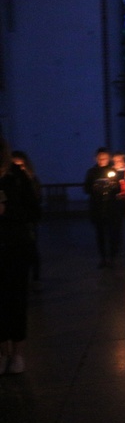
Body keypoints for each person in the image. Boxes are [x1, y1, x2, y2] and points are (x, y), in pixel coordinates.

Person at [0, 138, 41, 374]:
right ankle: (2, 351)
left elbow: (34, 211)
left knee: (15, 301)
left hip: (15, 248)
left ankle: (17, 353)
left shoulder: (16, 176)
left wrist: (9, 211)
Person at [83, 147, 121, 268]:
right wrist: (95, 187)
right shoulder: (92, 172)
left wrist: (113, 185)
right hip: (97, 207)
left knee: (112, 233)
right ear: (96, 158)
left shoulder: (112, 170)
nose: (102, 160)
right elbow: (86, 189)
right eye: (100, 158)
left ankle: (113, 257)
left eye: (104, 158)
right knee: (100, 234)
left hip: (111, 207)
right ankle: (103, 258)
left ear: (108, 158)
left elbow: (118, 189)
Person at [11, 150, 42, 291]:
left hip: (28, 221)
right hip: (13, 221)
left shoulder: (31, 180)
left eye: (21, 164)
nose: (19, 167)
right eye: (15, 164)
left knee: (31, 249)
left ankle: (35, 277)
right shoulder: (9, 181)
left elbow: (37, 199)